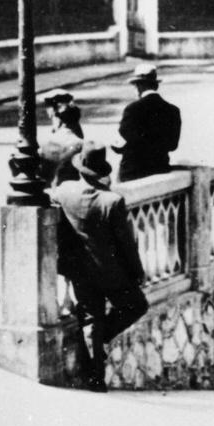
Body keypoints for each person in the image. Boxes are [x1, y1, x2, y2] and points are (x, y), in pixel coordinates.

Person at [50, 142, 149, 388]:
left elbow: (50, 194)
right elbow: (127, 244)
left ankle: (96, 378)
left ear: (80, 169)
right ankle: (101, 338)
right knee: (136, 305)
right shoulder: (112, 201)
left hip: (80, 271)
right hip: (112, 273)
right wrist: (137, 273)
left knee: (91, 317)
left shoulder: (64, 193)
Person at [115, 62, 181, 182]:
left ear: (139, 86)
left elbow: (128, 136)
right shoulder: (173, 110)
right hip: (160, 169)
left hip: (133, 171)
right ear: (156, 85)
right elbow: (172, 145)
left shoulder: (132, 109)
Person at [39, 89, 84, 187]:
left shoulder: (47, 141)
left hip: (53, 186)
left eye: (47, 106)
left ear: (52, 110)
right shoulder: (75, 127)